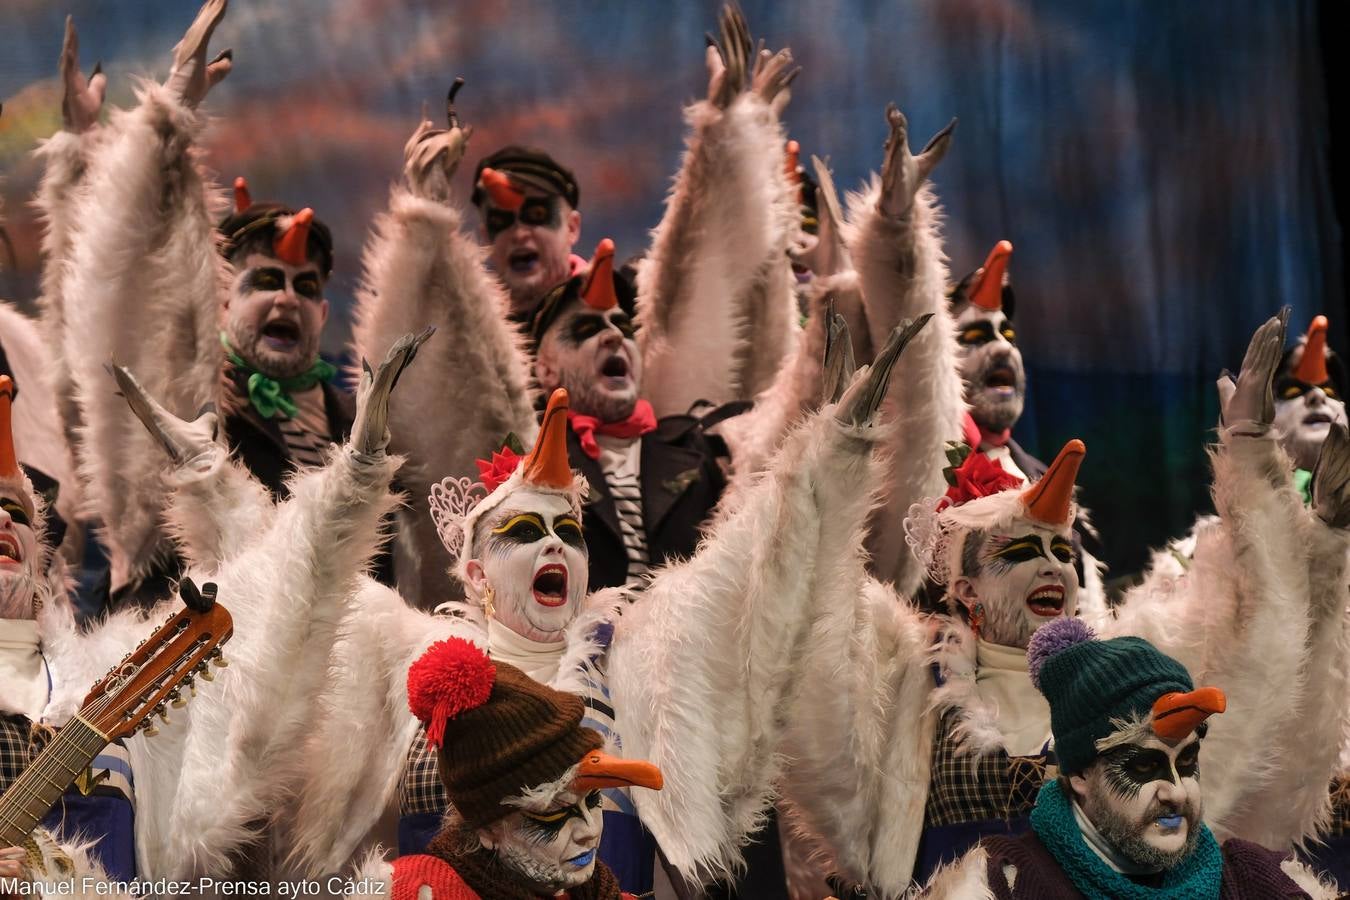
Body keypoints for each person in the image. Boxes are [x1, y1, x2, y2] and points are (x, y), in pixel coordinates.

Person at [773, 314, 1350, 893]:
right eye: (1022, 550)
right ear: (966, 588)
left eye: (1061, 550)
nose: (1054, 565)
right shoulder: (909, 688)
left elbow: (1262, 658)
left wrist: (1264, 476)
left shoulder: (1130, 671)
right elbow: (811, 662)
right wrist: (837, 463)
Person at [348, 5, 801, 607]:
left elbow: (712, 285)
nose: (519, 234)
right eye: (502, 221)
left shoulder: (638, 310)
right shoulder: (461, 363)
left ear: (574, 226)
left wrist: (732, 139)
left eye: (538, 217)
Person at [55, 0, 382, 608]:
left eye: (305, 287)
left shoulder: (361, 423)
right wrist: (167, 123)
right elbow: (121, 282)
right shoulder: (188, 401)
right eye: (264, 281)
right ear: (223, 294)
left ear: (325, 316)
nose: (287, 298)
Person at [915, 618, 1338, 898]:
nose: (1176, 791)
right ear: (1080, 773)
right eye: (1143, 766)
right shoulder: (1005, 885)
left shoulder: (1254, 878)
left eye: (1187, 763)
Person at [346, 636, 664, 899]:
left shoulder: (602, 894)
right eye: (553, 813)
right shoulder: (418, 891)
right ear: (487, 829)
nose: (591, 831)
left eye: (593, 800)